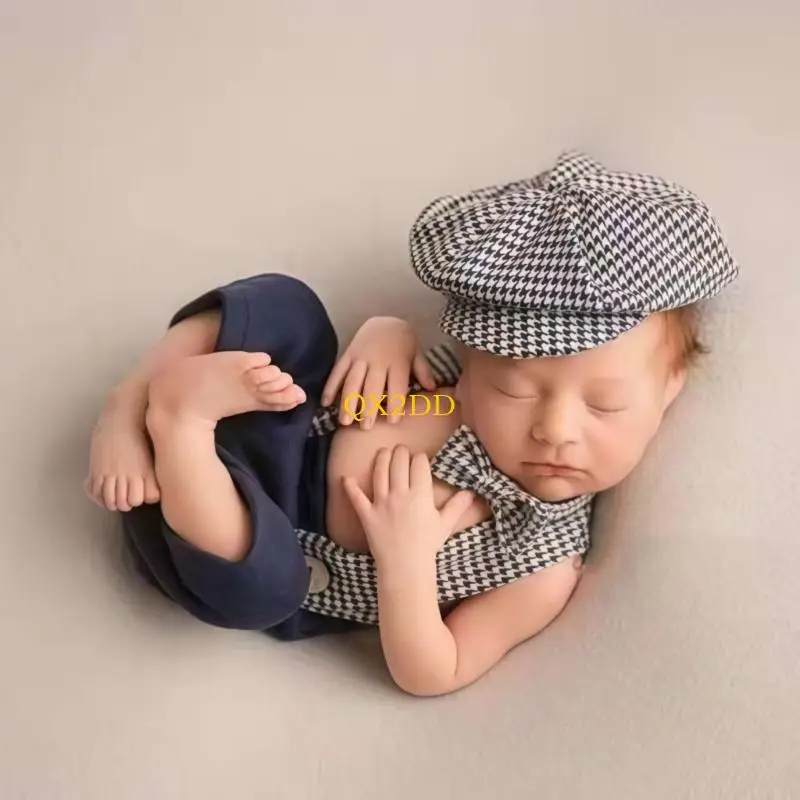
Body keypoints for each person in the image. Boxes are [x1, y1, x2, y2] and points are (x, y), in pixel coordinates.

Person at [84, 151, 739, 696]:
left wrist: (406, 562)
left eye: (605, 405)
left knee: (266, 588)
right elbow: (414, 363)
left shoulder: (543, 564)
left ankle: (179, 425)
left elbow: (436, 671)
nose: (555, 428)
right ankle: (131, 400)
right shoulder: (462, 383)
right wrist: (386, 334)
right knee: (288, 305)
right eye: (513, 388)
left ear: (669, 389)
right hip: (279, 410)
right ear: (477, 363)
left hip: (249, 534)